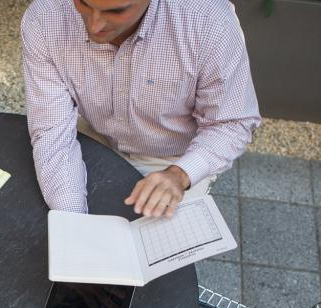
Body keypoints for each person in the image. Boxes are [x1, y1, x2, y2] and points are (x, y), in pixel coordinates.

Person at [22, 0, 261, 217]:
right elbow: (52, 130)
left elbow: (232, 123)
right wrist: (73, 220)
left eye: (115, 11)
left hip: (174, 158)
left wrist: (180, 174)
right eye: (83, 3)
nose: (94, 25)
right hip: (96, 136)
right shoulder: (45, 17)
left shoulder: (210, 21)